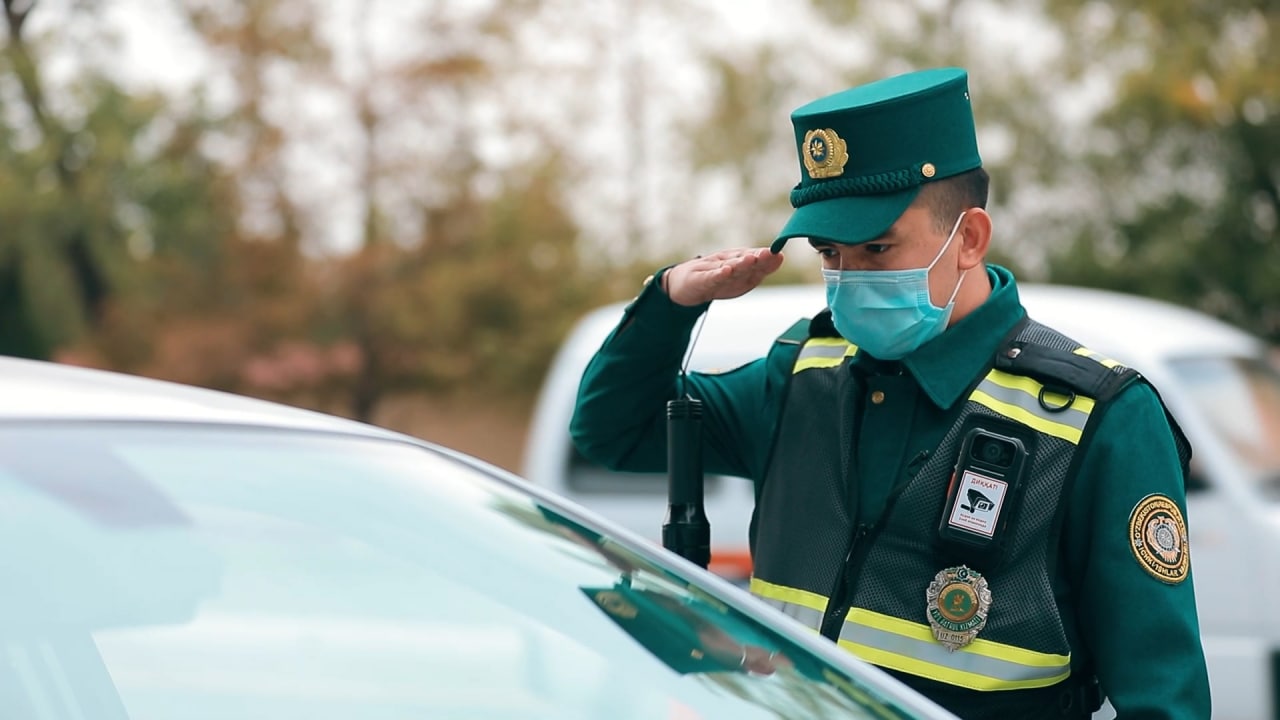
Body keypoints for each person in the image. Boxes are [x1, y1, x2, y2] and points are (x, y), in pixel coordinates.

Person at [570, 67, 1211, 719]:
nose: (847, 277)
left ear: (968, 239)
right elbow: (613, 430)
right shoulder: (800, 378)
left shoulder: (1097, 419)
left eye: (877, 248)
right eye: (828, 253)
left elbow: (1164, 701)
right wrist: (672, 300)